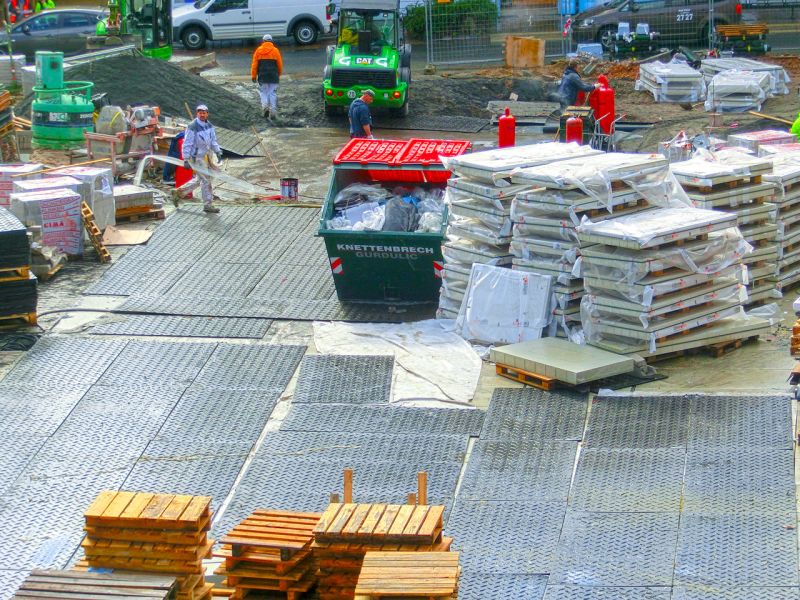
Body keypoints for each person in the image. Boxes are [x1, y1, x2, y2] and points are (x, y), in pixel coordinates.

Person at [172, 104, 223, 214]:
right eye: (200, 113)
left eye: (204, 113)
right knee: (206, 181)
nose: (202, 115)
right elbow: (187, 144)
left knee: (200, 179)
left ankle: (179, 193)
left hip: (205, 156)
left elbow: (213, 141)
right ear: (197, 114)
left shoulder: (209, 126)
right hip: (196, 158)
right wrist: (186, 159)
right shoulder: (192, 126)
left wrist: (218, 151)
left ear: (207, 114)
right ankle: (208, 205)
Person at [250, 34, 283, 120]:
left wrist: (253, 76)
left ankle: (265, 108)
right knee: (272, 93)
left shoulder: (258, 51)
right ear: (271, 41)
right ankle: (273, 112)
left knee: (263, 92)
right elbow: (279, 65)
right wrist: (278, 74)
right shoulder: (275, 51)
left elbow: (254, 65)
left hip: (262, 76)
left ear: (263, 41)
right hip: (273, 76)